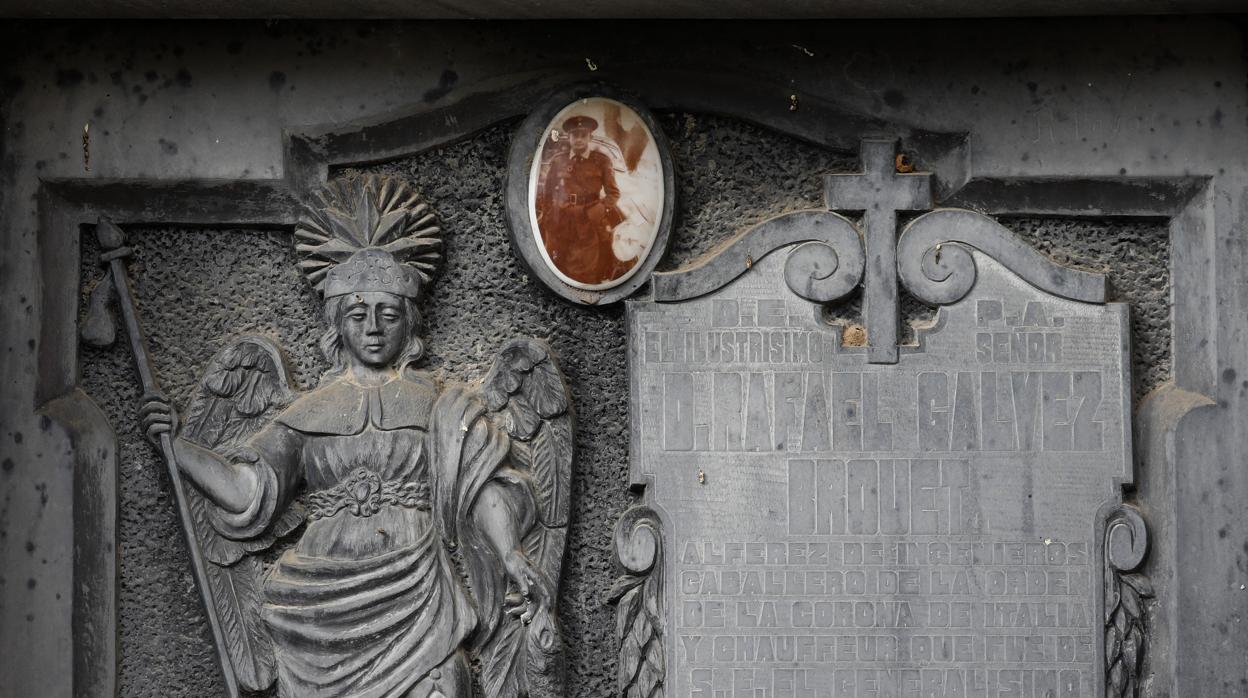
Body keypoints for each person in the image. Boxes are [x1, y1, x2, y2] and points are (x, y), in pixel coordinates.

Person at [139, 177, 556, 698]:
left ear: (410, 321)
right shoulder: (308, 413)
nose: (374, 328)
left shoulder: (442, 406)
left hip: (419, 591)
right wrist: (180, 449)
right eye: (358, 315)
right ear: (338, 323)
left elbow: (481, 489)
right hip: (320, 605)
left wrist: (512, 554)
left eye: (389, 314)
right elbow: (250, 492)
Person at [536, 114, 627, 284]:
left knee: (583, 272)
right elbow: (547, 194)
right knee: (554, 267)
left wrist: (599, 210)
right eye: (574, 135)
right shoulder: (558, 161)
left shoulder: (601, 161)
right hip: (560, 221)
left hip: (586, 222)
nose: (578, 139)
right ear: (569, 138)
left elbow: (613, 193)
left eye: (583, 135)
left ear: (590, 137)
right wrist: (549, 216)